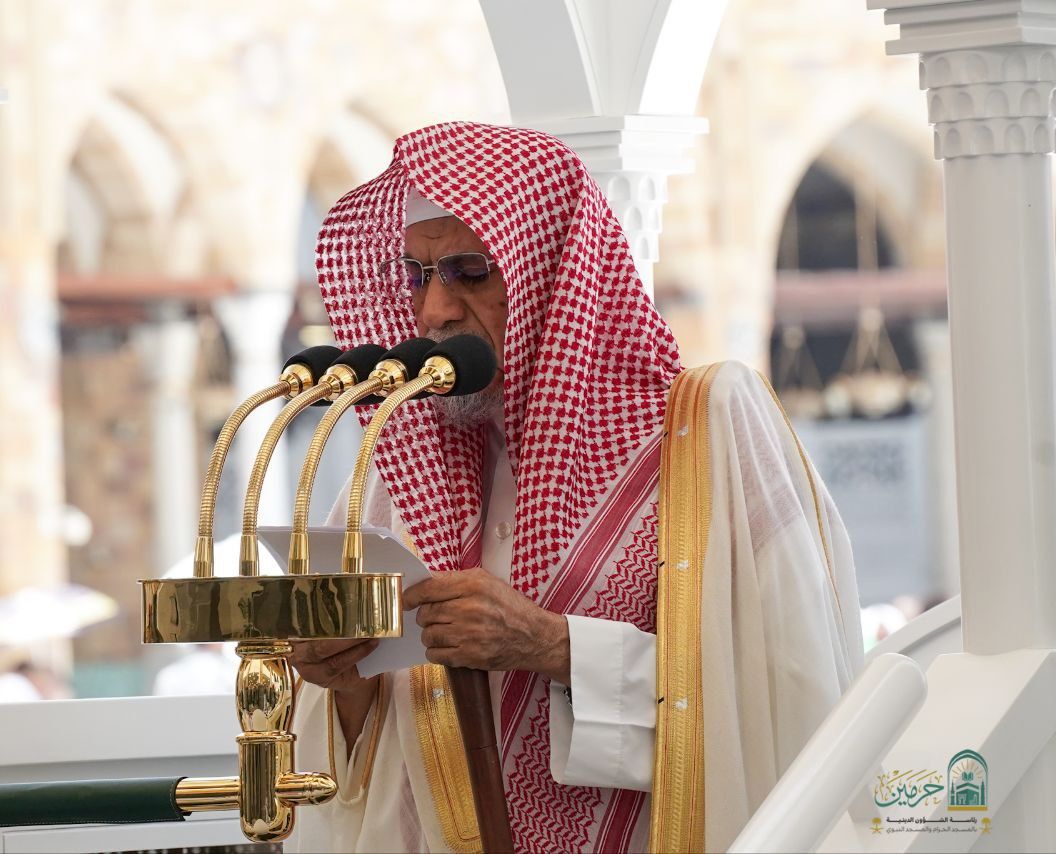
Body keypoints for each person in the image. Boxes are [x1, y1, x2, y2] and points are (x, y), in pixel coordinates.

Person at [286, 121, 862, 853]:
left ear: (550, 274)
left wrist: (554, 646)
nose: (433, 312)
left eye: (470, 272)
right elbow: (364, 765)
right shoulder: (394, 473)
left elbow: (789, 695)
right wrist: (342, 678)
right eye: (417, 276)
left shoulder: (706, 432)